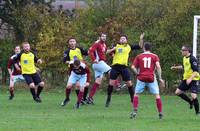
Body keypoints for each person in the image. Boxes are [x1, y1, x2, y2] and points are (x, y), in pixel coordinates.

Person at [105, 33, 144, 107]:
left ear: (126, 40)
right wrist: (113, 49)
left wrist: (141, 39)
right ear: (119, 40)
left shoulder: (129, 46)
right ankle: (108, 98)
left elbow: (140, 46)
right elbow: (106, 52)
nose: (122, 39)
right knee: (111, 84)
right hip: (115, 67)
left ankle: (132, 99)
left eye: (124, 38)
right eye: (121, 38)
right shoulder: (116, 46)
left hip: (124, 67)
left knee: (129, 83)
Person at [130, 42, 164, 119]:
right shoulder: (154, 56)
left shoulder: (139, 56)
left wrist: (137, 73)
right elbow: (158, 66)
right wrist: (160, 78)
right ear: (150, 48)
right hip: (151, 78)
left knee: (136, 94)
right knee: (157, 95)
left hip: (141, 78)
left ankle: (135, 111)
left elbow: (132, 67)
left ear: (144, 48)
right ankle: (160, 113)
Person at [171, 45, 200, 115]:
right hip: (186, 79)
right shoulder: (184, 58)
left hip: (194, 79)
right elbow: (184, 67)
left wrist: (190, 78)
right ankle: (190, 102)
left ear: (187, 51)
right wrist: (176, 67)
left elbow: (196, 71)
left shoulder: (193, 59)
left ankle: (197, 112)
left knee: (193, 95)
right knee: (177, 92)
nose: (181, 51)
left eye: (182, 50)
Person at [63, 37, 91, 103]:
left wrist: (91, 49)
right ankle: (80, 99)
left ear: (75, 42)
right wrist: (71, 62)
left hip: (81, 69)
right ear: (68, 43)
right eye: (71, 41)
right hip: (73, 70)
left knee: (81, 85)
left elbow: (87, 53)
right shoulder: (67, 52)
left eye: (73, 41)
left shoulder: (79, 49)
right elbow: (65, 61)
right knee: (75, 86)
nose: (72, 43)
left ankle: (82, 99)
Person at [87, 33, 112, 104]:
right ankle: (118, 85)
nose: (104, 38)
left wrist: (113, 49)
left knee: (98, 81)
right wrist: (94, 59)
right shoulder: (97, 43)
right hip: (99, 63)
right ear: (99, 37)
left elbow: (105, 52)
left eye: (105, 36)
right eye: (103, 36)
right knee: (111, 71)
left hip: (99, 65)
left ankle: (89, 98)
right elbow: (90, 51)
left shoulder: (104, 45)